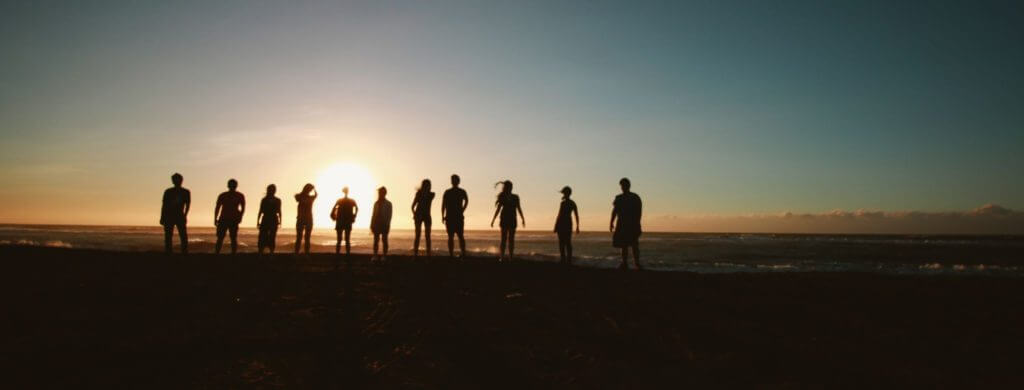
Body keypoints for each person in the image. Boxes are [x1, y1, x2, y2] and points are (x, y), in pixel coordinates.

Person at [610, 177, 642, 270]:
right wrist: (611, 222)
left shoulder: (635, 197)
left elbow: (639, 212)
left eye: (624, 185)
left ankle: (637, 263)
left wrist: (637, 224)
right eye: (622, 186)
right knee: (624, 245)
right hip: (622, 224)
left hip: (632, 224)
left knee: (634, 244)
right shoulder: (619, 198)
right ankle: (625, 263)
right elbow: (614, 211)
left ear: (628, 186)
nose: (623, 187)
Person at [490, 180, 525, 262]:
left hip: (512, 219)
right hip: (504, 219)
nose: (510, 188)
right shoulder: (502, 197)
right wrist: (493, 219)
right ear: (506, 187)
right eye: (509, 186)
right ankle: (502, 256)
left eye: (511, 186)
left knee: (511, 239)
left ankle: (510, 257)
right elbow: (498, 209)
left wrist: (523, 218)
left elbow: (519, 208)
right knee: (504, 239)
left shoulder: (515, 197)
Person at [160, 173, 191, 255]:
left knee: (183, 235)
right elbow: (164, 205)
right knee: (168, 236)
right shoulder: (168, 191)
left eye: (178, 179)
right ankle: (169, 252)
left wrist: (185, 215)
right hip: (169, 216)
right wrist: (162, 217)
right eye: (175, 179)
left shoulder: (185, 192)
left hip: (179, 215)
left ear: (181, 181)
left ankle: (184, 252)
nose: (176, 181)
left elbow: (188, 205)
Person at [214, 179, 246, 254]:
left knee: (232, 238)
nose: (232, 187)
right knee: (221, 238)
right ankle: (217, 253)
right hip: (224, 218)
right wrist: (215, 218)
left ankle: (232, 254)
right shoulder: (223, 195)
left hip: (233, 219)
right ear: (228, 186)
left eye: (233, 185)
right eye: (231, 185)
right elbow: (217, 207)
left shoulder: (239, 195)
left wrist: (240, 217)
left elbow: (243, 208)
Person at [441, 174, 469, 259]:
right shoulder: (447, 192)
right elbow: (443, 205)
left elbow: (467, 200)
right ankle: (451, 254)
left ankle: (463, 253)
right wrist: (443, 215)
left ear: (458, 181)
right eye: (453, 180)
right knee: (451, 236)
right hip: (450, 216)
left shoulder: (462, 191)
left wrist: (463, 209)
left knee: (460, 236)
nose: (454, 182)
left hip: (458, 216)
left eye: (455, 180)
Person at [554, 186, 580, 265]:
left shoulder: (568, 203)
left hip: (565, 224)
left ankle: (566, 260)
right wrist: (556, 225)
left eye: (564, 193)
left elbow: (575, 215)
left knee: (565, 242)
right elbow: (559, 215)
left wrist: (578, 226)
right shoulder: (567, 203)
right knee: (564, 242)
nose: (564, 194)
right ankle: (565, 260)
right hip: (565, 223)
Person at [331, 186, 358, 255]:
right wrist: (354, 216)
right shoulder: (351, 200)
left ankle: (338, 254)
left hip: (340, 221)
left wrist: (333, 215)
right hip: (347, 221)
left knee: (339, 240)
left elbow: (334, 208)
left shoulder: (340, 200)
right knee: (347, 239)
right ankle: (347, 254)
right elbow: (357, 208)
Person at [411, 179, 434, 258]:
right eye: (425, 185)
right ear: (423, 186)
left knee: (427, 235)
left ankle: (428, 253)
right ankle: (415, 253)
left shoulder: (432, 194)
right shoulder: (419, 194)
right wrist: (415, 214)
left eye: (428, 185)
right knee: (418, 235)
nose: (427, 187)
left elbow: (427, 199)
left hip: (427, 215)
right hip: (418, 215)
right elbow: (413, 206)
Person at [257, 184, 282, 254]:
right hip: (266, 218)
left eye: (273, 190)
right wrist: (258, 221)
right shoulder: (264, 200)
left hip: (273, 219)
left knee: (272, 236)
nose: (272, 191)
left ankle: (271, 252)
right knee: (262, 236)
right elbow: (260, 210)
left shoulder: (277, 200)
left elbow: (279, 211)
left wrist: (280, 221)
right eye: (271, 190)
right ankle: (261, 252)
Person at [370, 186, 393, 262]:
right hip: (376, 223)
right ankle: (375, 255)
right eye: (379, 192)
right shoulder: (376, 203)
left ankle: (384, 255)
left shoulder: (388, 204)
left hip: (384, 223)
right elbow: (373, 214)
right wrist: (371, 224)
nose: (379, 194)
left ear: (384, 193)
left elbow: (389, 215)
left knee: (384, 240)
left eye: (381, 192)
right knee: (376, 240)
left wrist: (387, 224)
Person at [294, 183, 317, 254]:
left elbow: (316, 195)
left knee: (305, 238)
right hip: (304, 218)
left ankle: (303, 253)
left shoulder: (308, 197)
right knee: (301, 237)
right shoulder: (308, 197)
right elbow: (297, 198)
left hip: (306, 218)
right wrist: (314, 189)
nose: (310, 190)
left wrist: (313, 189)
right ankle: (299, 253)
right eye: (309, 189)